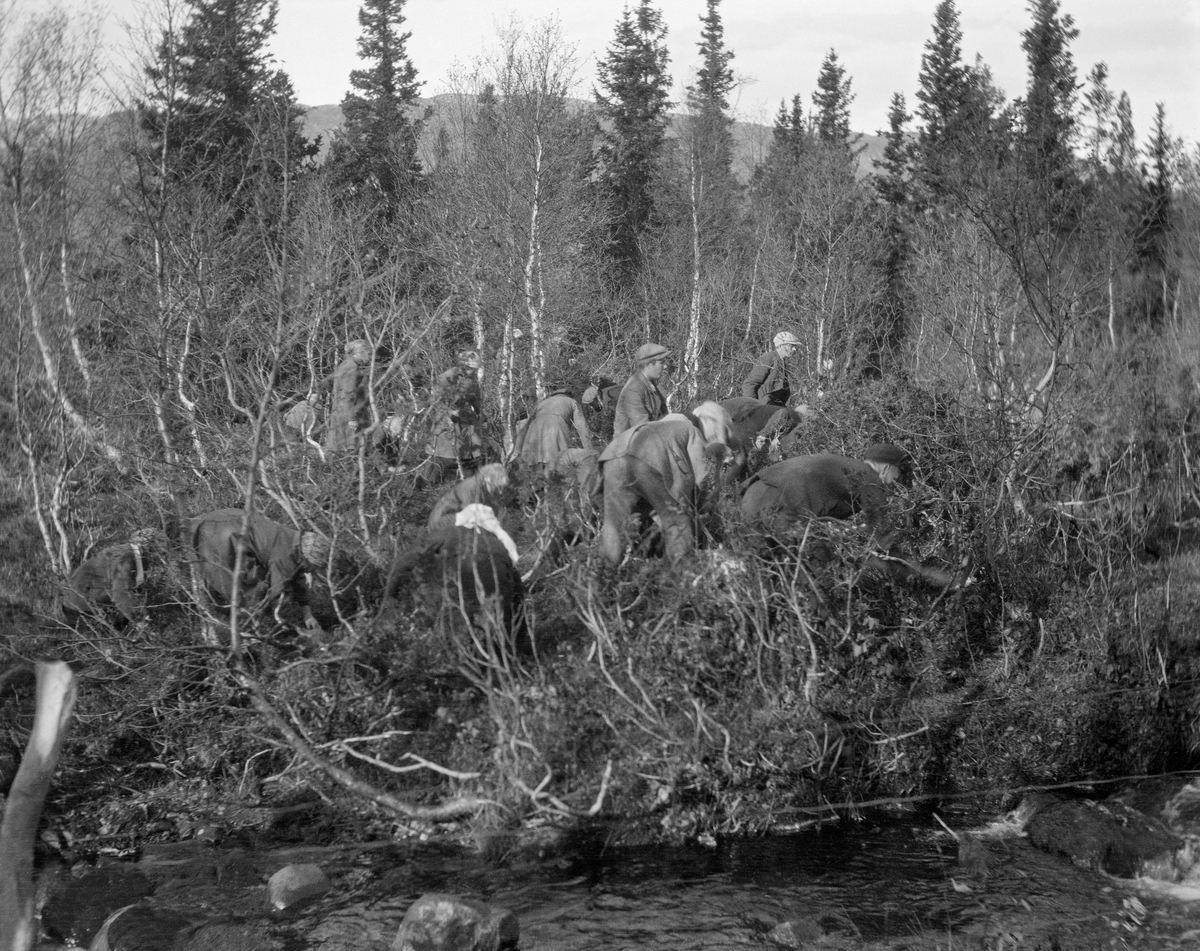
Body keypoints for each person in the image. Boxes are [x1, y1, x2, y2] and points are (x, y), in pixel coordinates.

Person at [598, 401, 736, 567]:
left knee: (614, 524)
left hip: (610, 458)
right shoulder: (691, 430)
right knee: (678, 521)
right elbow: (701, 476)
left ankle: (606, 574)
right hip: (642, 462)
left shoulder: (656, 426)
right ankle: (680, 576)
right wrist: (698, 505)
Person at [188, 508, 330, 632]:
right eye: (313, 567)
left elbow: (298, 578)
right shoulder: (285, 554)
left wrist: (308, 615)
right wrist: (284, 622)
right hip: (219, 532)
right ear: (308, 558)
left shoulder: (295, 540)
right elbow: (278, 592)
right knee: (225, 580)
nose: (312, 571)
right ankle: (229, 626)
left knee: (245, 582)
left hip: (229, 519)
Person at [739, 444, 908, 536]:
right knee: (812, 574)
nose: (899, 482)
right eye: (900, 473)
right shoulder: (871, 478)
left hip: (752, 492)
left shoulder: (846, 465)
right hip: (783, 502)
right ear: (887, 467)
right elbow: (881, 535)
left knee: (763, 570)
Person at [61, 528, 167, 628]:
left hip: (81, 604)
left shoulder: (132, 554)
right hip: (82, 609)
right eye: (160, 545)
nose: (162, 552)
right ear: (149, 544)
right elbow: (121, 593)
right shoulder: (127, 558)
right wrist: (141, 621)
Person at [425, 350, 487, 482]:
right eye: (471, 369)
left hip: (466, 421)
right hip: (446, 421)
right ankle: (428, 484)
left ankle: (471, 482)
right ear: (463, 365)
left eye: (475, 369)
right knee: (442, 455)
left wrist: (481, 413)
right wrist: (449, 412)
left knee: (474, 453)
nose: (473, 372)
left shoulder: (472, 380)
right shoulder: (447, 377)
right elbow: (434, 400)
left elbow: (475, 399)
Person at [512, 381, 592, 472]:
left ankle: (540, 483)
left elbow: (525, 428)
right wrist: (589, 451)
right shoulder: (572, 402)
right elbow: (582, 426)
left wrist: (517, 450)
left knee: (537, 468)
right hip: (556, 428)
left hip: (535, 431)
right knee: (559, 466)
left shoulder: (542, 403)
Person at [427, 463, 512, 530]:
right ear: (487, 479)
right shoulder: (471, 488)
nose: (501, 492)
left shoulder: (487, 488)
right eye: (498, 487)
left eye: (502, 488)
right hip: (442, 522)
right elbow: (472, 516)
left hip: (455, 521)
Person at [324, 339, 374, 452]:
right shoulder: (352, 369)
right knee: (351, 451)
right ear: (357, 353)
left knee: (340, 450)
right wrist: (352, 418)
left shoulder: (344, 366)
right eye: (368, 353)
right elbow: (349, 395)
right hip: (350, 416)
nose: (370, 357)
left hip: (341, 413)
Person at [612, 343, 671, 437]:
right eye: (662, 362)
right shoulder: (634, 389)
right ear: (648, 365)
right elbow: (641, 429)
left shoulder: (651, 385)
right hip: (630, 446)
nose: (665, 366)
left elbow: (663, 418)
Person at [742, 331, 801, 406]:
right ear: (781, 346)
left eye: (795, 346)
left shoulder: (786, 363)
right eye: (791, 346)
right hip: (763, 409)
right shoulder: (767, 359)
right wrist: (753, 407)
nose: (794, 349)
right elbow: (749, 384)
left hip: (777, 409)